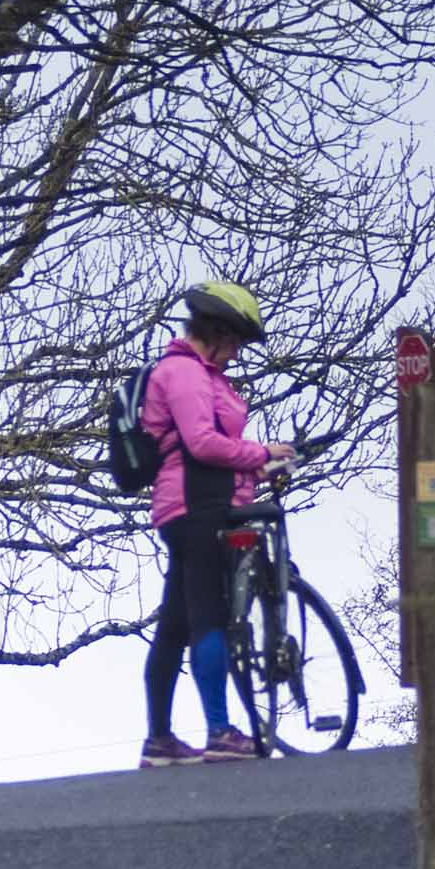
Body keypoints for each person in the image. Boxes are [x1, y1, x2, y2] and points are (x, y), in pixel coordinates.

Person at [137, 280, 295, 767]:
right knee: (208, 617)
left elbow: (207, 448)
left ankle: (159, 741)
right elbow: (201, 444)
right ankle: (221, 731)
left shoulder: (204, 375)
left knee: (175, 625)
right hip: (195, 507)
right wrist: (260, 452)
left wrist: (255, 468)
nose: (239, 352)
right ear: (219, 331)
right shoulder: (183, 373)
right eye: (238, 341)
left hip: (198, 504)